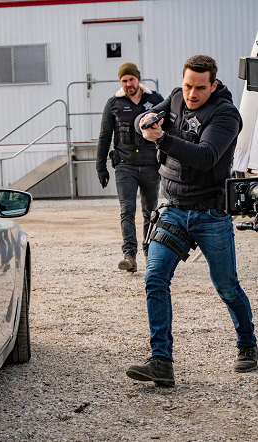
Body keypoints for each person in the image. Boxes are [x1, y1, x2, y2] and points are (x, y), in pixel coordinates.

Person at [126, 55, 257, 387]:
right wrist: (146, 119)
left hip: (211, 214)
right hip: (173, 208)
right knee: (155, 277)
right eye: (187, 86)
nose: (191, 94)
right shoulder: (173, 97)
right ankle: (161, 361)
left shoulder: (226, 114)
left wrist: (161, 138)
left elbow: (206, 156)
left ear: (213, 85)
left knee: (226, 286)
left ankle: (248, 345)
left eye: (200, 88)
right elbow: (147, 117)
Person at [96, 62, 164, 273]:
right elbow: (105, 136)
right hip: (125, 165)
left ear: (138, 79)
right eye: (124, 81)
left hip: (150, 165)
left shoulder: (155, 100)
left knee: (150, 212)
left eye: (131, 80)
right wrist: (101, 167)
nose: (128, 84)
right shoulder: (113, 104)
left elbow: (169, 130)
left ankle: (150, 253)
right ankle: (130, 256)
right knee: (127, 210)